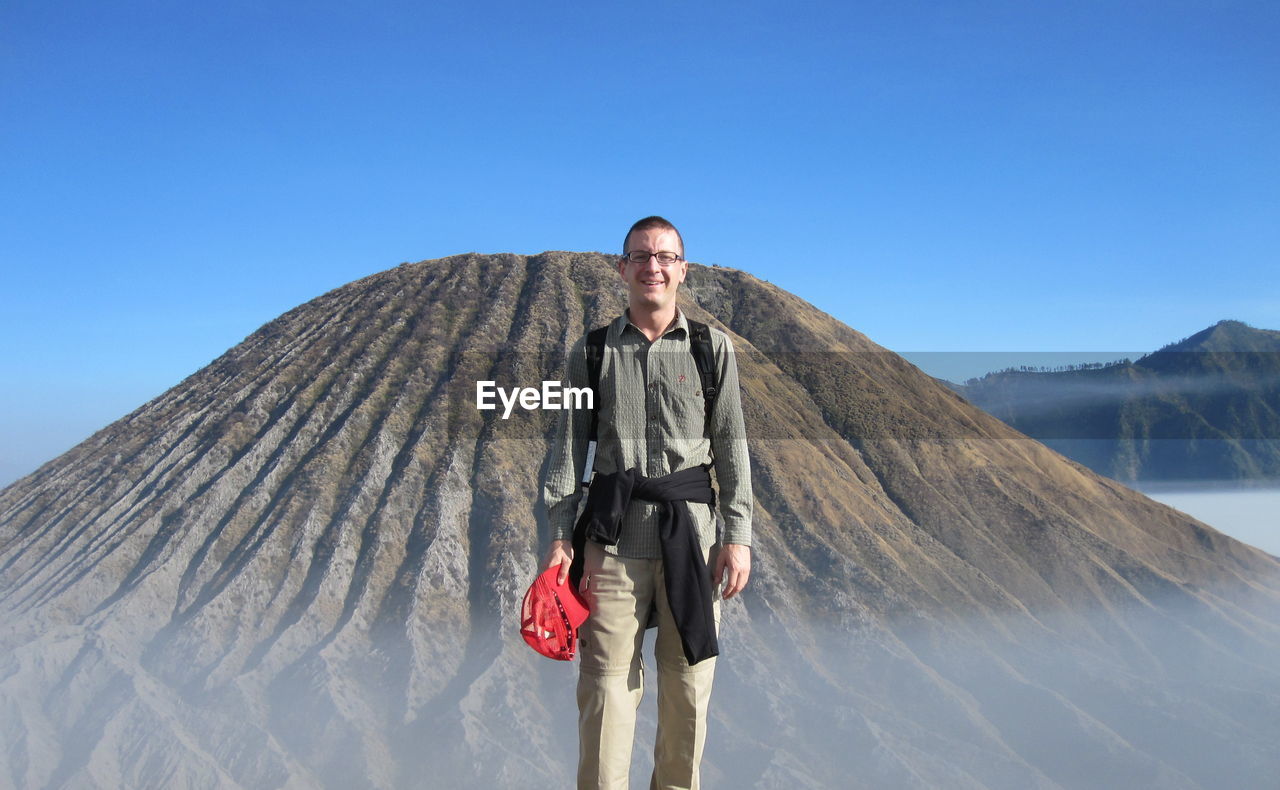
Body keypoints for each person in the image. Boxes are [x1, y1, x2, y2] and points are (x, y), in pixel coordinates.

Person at [541, 216, 753, 789]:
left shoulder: (712, 349)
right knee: (606, 694)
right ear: (622, 268)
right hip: (611, 544)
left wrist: (738, 537)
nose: (652, 266)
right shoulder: (589, 352)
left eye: (665, 256)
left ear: (683, 269)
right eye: (640, 256)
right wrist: (560, 540)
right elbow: (566, 449)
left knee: (687, 693)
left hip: (695, 542)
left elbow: (732, 447)